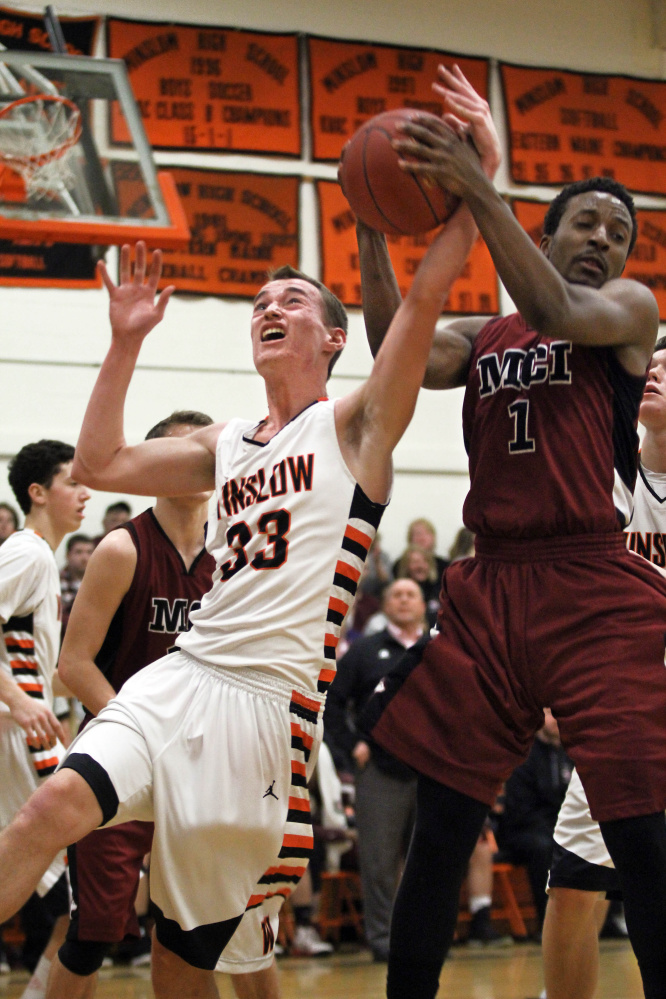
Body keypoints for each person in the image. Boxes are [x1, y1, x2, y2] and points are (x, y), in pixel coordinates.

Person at [0, 67, 502, 999]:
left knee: (183, 967)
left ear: (335, 338)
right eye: (260, 302)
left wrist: (481, 182)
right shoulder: (224, 443)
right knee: (48, 809)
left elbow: (428, 298)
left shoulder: (354, 427)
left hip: (263, 711)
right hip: (176, 677)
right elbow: (103, 463)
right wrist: (124, 342)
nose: (270, 308)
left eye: (293, 300)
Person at [355, 63, 666, 999]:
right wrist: (371, 221)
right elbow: (389, 347)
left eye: (619, 233)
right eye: (587, 224)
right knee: (443, 830)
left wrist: (481, 176)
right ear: (546, 230)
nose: (604, 242)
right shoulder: (486, 336)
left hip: (590, 587)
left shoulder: (627, 313)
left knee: (642, 833)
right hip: (490, 585)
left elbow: (552, 308)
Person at [45, 410, 220, 999]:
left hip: (200, 766)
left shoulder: (234, 555)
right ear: (154, 468)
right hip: (123, 756)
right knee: (93, 934)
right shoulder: (122, 548)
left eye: (206, 450)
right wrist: (140, 739)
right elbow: (73, 664)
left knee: (197, 935)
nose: (198, 461)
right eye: (182, 451)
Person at [541, 337, 666, 999]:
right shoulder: (603, 479)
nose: (656, 372)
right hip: (622, 710)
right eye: (657, 362)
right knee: (573, 881)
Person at [0, 441, 90, 999]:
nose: (85, 494)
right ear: (38, 492)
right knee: (84, 895)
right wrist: (21, 700)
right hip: (20, 737)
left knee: (79, 900)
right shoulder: (27, 553)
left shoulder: (39, 559)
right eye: (72, 482)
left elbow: (43, 667)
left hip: (29, 728)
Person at [324, 579, 427, 962]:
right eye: (396, 595)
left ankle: (423, 938)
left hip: (432, 772)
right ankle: (384, 940)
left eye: (410, 594)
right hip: (380, 772)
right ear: (384, 605)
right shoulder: (365, 651)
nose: (403, 600)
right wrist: (354, 746)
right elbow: (332, 703)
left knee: (427, 862)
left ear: (423, 605)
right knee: (379, 862)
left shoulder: (440, 648)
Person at [494, 709, 572, 936]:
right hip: (523, 832)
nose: (557, 720)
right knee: (543, 847)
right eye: (551, 714)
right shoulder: (524, 755)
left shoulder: (568, 753)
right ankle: (546, 922)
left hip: (557, 828)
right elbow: (520, 809)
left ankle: (604, 921)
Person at [59, 534, 94, 637]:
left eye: (89, 552)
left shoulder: (102, 583)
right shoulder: (56, 581)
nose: (85, 558)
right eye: (78, 552)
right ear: (67, 555)